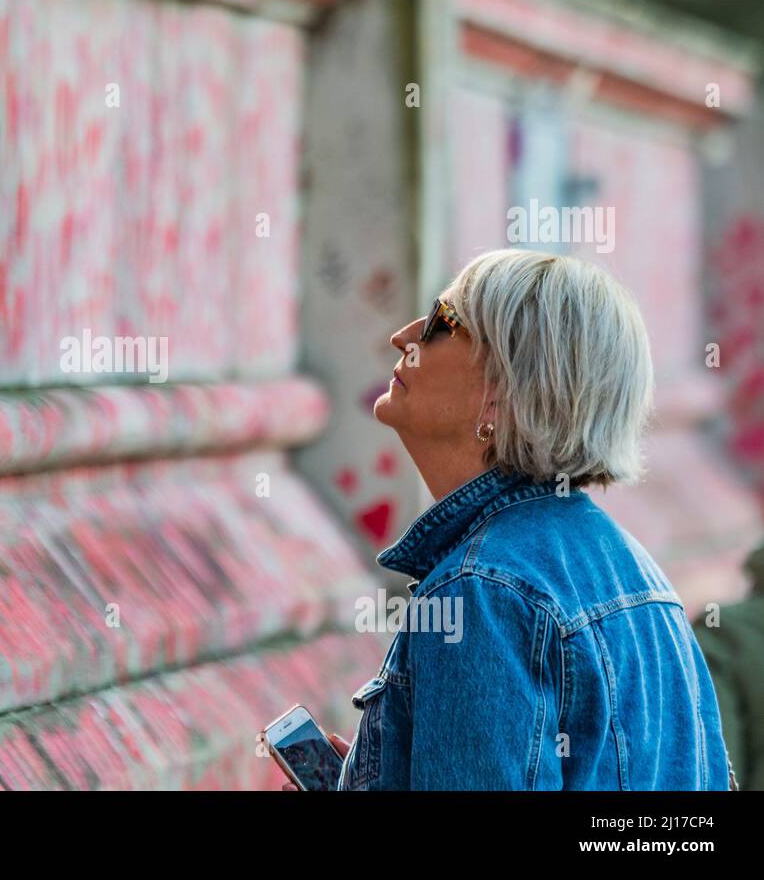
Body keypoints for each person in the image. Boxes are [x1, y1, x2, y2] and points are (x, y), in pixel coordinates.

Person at [306, 248, 736, 790]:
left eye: (444, 323)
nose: (405, 336)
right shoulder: (639, 573)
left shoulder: (481, 592)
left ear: (500, 394)